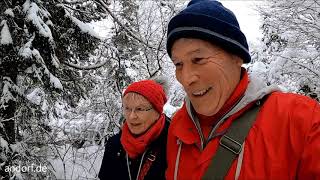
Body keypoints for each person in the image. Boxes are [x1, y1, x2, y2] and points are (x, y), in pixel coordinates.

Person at [165, 0, 320, 179]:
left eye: (198, 59)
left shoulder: (301, 121)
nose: (186, 78)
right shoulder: (177, 126)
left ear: (236, 57)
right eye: (178, 64)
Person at [98, 80, 169, 180]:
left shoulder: (174, 145)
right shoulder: (114, 144)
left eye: (140, 109)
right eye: (127, 108)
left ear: (157, 111)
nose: (131, 116)